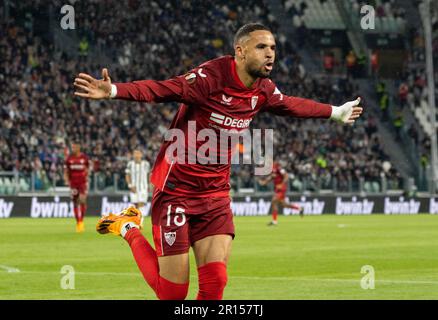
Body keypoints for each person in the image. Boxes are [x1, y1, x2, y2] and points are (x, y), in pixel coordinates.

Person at [73, 23, 363, 300]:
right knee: (172, 294)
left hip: (215, 195)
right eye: (261, 46)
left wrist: (335, 112)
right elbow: (162, 89)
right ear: (240, 51)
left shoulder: (262, 89)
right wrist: (112, 91)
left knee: (216, 284)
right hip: (177, 191)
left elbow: (288, 104)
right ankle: (127, 227)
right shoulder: (209, 79)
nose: (270, 53)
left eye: (272, 47)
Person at [259, 161, 303, 225]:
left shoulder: (278, 167)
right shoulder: (272, 170)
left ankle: (274, 221)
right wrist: (264, 182)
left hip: (281, 189)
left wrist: (282, 184)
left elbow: (286, 176)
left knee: (274, 200)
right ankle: (299, 209)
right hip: (277, 189)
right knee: (284, 205)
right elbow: (272, 177)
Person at [63, 141, 90, 232]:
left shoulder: (84, 158)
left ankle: (81, 221)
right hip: (73, 184)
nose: (73, 149)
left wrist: (87, 177)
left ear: (79, 147)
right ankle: (78, 222)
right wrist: (66, 180)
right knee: (75, 202)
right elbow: (66, 171)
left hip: (82, 183)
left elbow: (88, 168)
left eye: (74, 147)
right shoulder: (69, 159)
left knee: (82, 200)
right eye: (72, 147)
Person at [125, 148, 151, 228]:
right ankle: (136, 221)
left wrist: (149, 185)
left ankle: (140, 223)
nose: (136, 155)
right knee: (135, 205)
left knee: (141, 204)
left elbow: (149, 175)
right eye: (135, 153)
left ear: (141, 155)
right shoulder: (130, 164)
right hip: (134, 188)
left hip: (143, 188)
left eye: (138, 153)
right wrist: (130, 186)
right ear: (133, 155)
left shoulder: (146, 164)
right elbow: (127, 175)